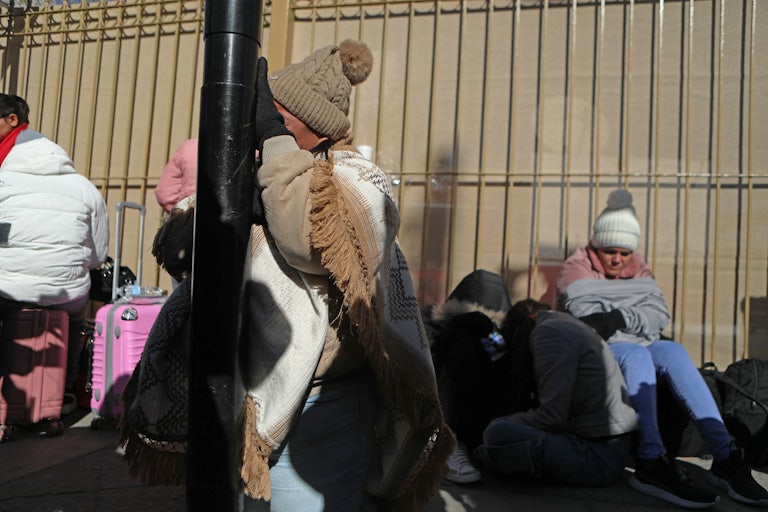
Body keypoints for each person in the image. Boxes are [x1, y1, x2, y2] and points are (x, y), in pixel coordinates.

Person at [556, 188, 768, 508]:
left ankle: (725, 456)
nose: (617, 259)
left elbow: (658, 315)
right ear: (595, 245)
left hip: (628, 342)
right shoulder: (575, 267)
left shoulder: (637, 266)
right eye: (609, 251)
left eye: (625, 253)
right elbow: (591, 322)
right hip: (589, 349)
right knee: (640, 353)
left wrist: (619, 315)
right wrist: (633, 315)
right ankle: (651, 459)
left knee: (674, 351)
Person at [0, 93, 109, 400]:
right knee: (75, 319)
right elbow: (98, 254)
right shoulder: (85, 187)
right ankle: (64, 392)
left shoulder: (4, 180)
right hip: (65, 292)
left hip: (6, 289)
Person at [473, 298, 638, 487]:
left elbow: (552, 416)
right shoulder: (565, 323)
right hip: (602, 446)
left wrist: (500, 424)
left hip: (598, 456)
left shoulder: (549, 333)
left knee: (497, 431)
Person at [423, 269, 514, 484]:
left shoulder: (497, 337)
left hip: (482, 418)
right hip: (440, 415)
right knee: (468, 339)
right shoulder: (432, 325)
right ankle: (449, 442)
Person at [154, 138, 198, 215]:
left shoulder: (190, 147)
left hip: (189, 213)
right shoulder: (224, 148)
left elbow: (164, 193)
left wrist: (180, 210)